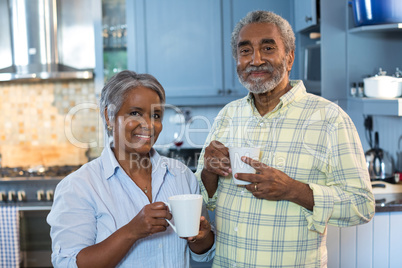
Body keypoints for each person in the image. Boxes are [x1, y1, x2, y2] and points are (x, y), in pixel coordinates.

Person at [195, 10, 375, 267]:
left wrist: (294, 190)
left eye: (267, 48)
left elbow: (362, 205)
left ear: (289, 58)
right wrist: (208, 172)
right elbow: (206, 197)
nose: (255, 60)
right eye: (245, 51)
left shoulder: (329, 118)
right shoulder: (227, 115)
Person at [47, 70, 215, 267]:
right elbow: (68, 264)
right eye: (135, 113)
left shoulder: (181, 175)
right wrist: (132, 231)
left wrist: (202, 238)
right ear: (109, 117)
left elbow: (201, 252)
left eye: (156, 115)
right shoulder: (79, 186)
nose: (149, 125)